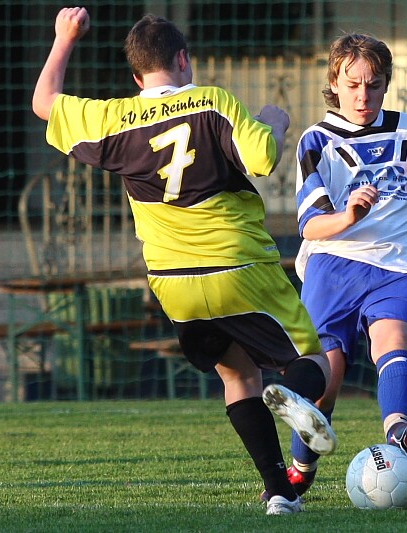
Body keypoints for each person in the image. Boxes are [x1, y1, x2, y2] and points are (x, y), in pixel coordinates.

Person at [32, 7, 337, 515]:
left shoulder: (114, 118)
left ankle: (280, 493)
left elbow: (44, 102)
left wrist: (65, 37)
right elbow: (262, 158)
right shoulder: (212, 102)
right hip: (239, 267)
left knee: (237, 376)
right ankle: (297, 400)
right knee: (313, 362)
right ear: (183, 59)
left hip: (173, 283)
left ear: (137, 77)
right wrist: (274, 120)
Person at [271, 32, 407, 499]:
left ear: (386, 83)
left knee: (394, 342)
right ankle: (299, 470)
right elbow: (312, 225)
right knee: (325, 384)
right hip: (334, 267)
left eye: (374, 85)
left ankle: (401, 434)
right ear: (334, 83)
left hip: (397, 266)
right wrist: (349, 215)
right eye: (353, 85)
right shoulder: (317, 140)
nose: (363, 96)